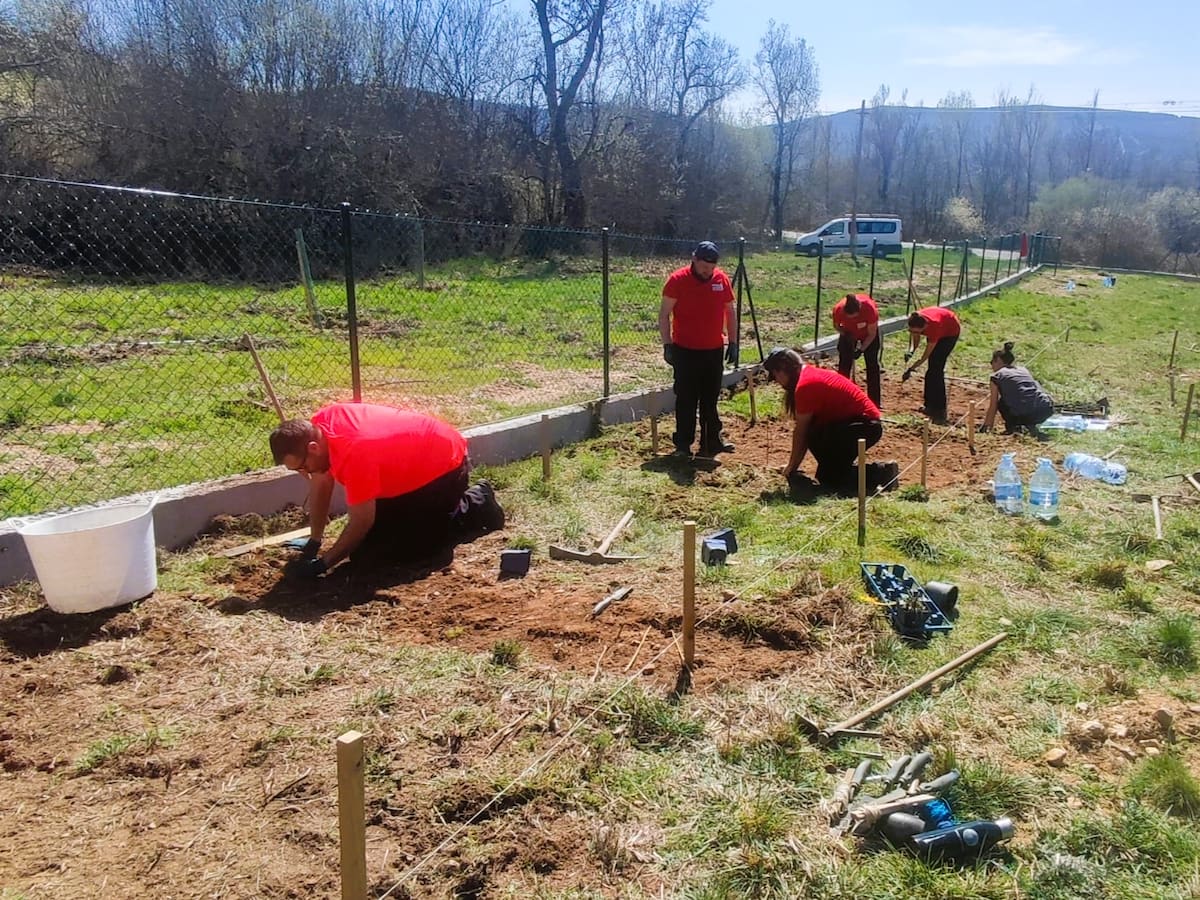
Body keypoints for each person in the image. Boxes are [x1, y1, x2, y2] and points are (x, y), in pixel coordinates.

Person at [268, 402, 504, 577]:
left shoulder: (355, 454)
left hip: (444, 468)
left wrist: (322, 565)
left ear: (313, 447)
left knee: (412, 550)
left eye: (302, 466)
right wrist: (314, 542)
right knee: (368, 548)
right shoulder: (320, 428)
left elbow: (361, 521)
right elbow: (321, 482)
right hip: (409, 468)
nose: (304, 473)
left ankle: (477, 502)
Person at [763, 347, 899, 495]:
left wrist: (791, 468)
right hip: (852, 425)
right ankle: (850, 472)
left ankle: (882, 473)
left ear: (783, 368)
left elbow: (801, 432)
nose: (777, 381)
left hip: (863, 426)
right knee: (821, 453)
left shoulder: (805, 385)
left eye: (775, 375)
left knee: (830, 479)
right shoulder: (809, 376)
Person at [659, 240, 738, 457]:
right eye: (704, 267)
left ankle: (712, 440)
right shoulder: (677, 280)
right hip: (685, 350)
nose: (708, 272)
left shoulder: (721, 279)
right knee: (686, 398)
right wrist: (667, 344)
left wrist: (732, 341)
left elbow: (730, 311)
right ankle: (683, 445)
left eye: (712, 268)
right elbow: (664, 314)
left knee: (710, 398)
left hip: (713, 350)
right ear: (694, 259)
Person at [981, 341, 1054, 436]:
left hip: (1026, 413)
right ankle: (1029, 425)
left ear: (998, 360)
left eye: (992, 362)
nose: (991, 365)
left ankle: (1014, 427)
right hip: (1045, 409)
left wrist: (986, 427)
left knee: (1001, 403)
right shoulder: (1023, 370)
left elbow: (993, 405)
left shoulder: (996, 376)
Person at [903, 307, 961, 425]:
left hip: (950, 332)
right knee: (930, 372)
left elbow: (925, 356)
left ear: (925, 327)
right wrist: (911, 351)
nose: (914, 333)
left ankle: (940, 410)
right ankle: (929, 405)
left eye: (918, 331)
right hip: (940, 326)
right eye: (911, 331)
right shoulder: (916, 320)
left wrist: (911, 368)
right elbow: (916, 338)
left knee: (936, 370)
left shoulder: (934, 327)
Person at [831, 292, 881, 407]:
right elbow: (837, 326)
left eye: (855, 317)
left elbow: (872, 334)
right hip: (848, 334)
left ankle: (874, 401)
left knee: (872, 364)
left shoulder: (869, 309)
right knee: (844, 364)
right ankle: (841, 396)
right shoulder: (838, 310)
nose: (853, 319)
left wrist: (861, 350)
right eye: (849, 317)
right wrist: (844, 333)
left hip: (867, 335)